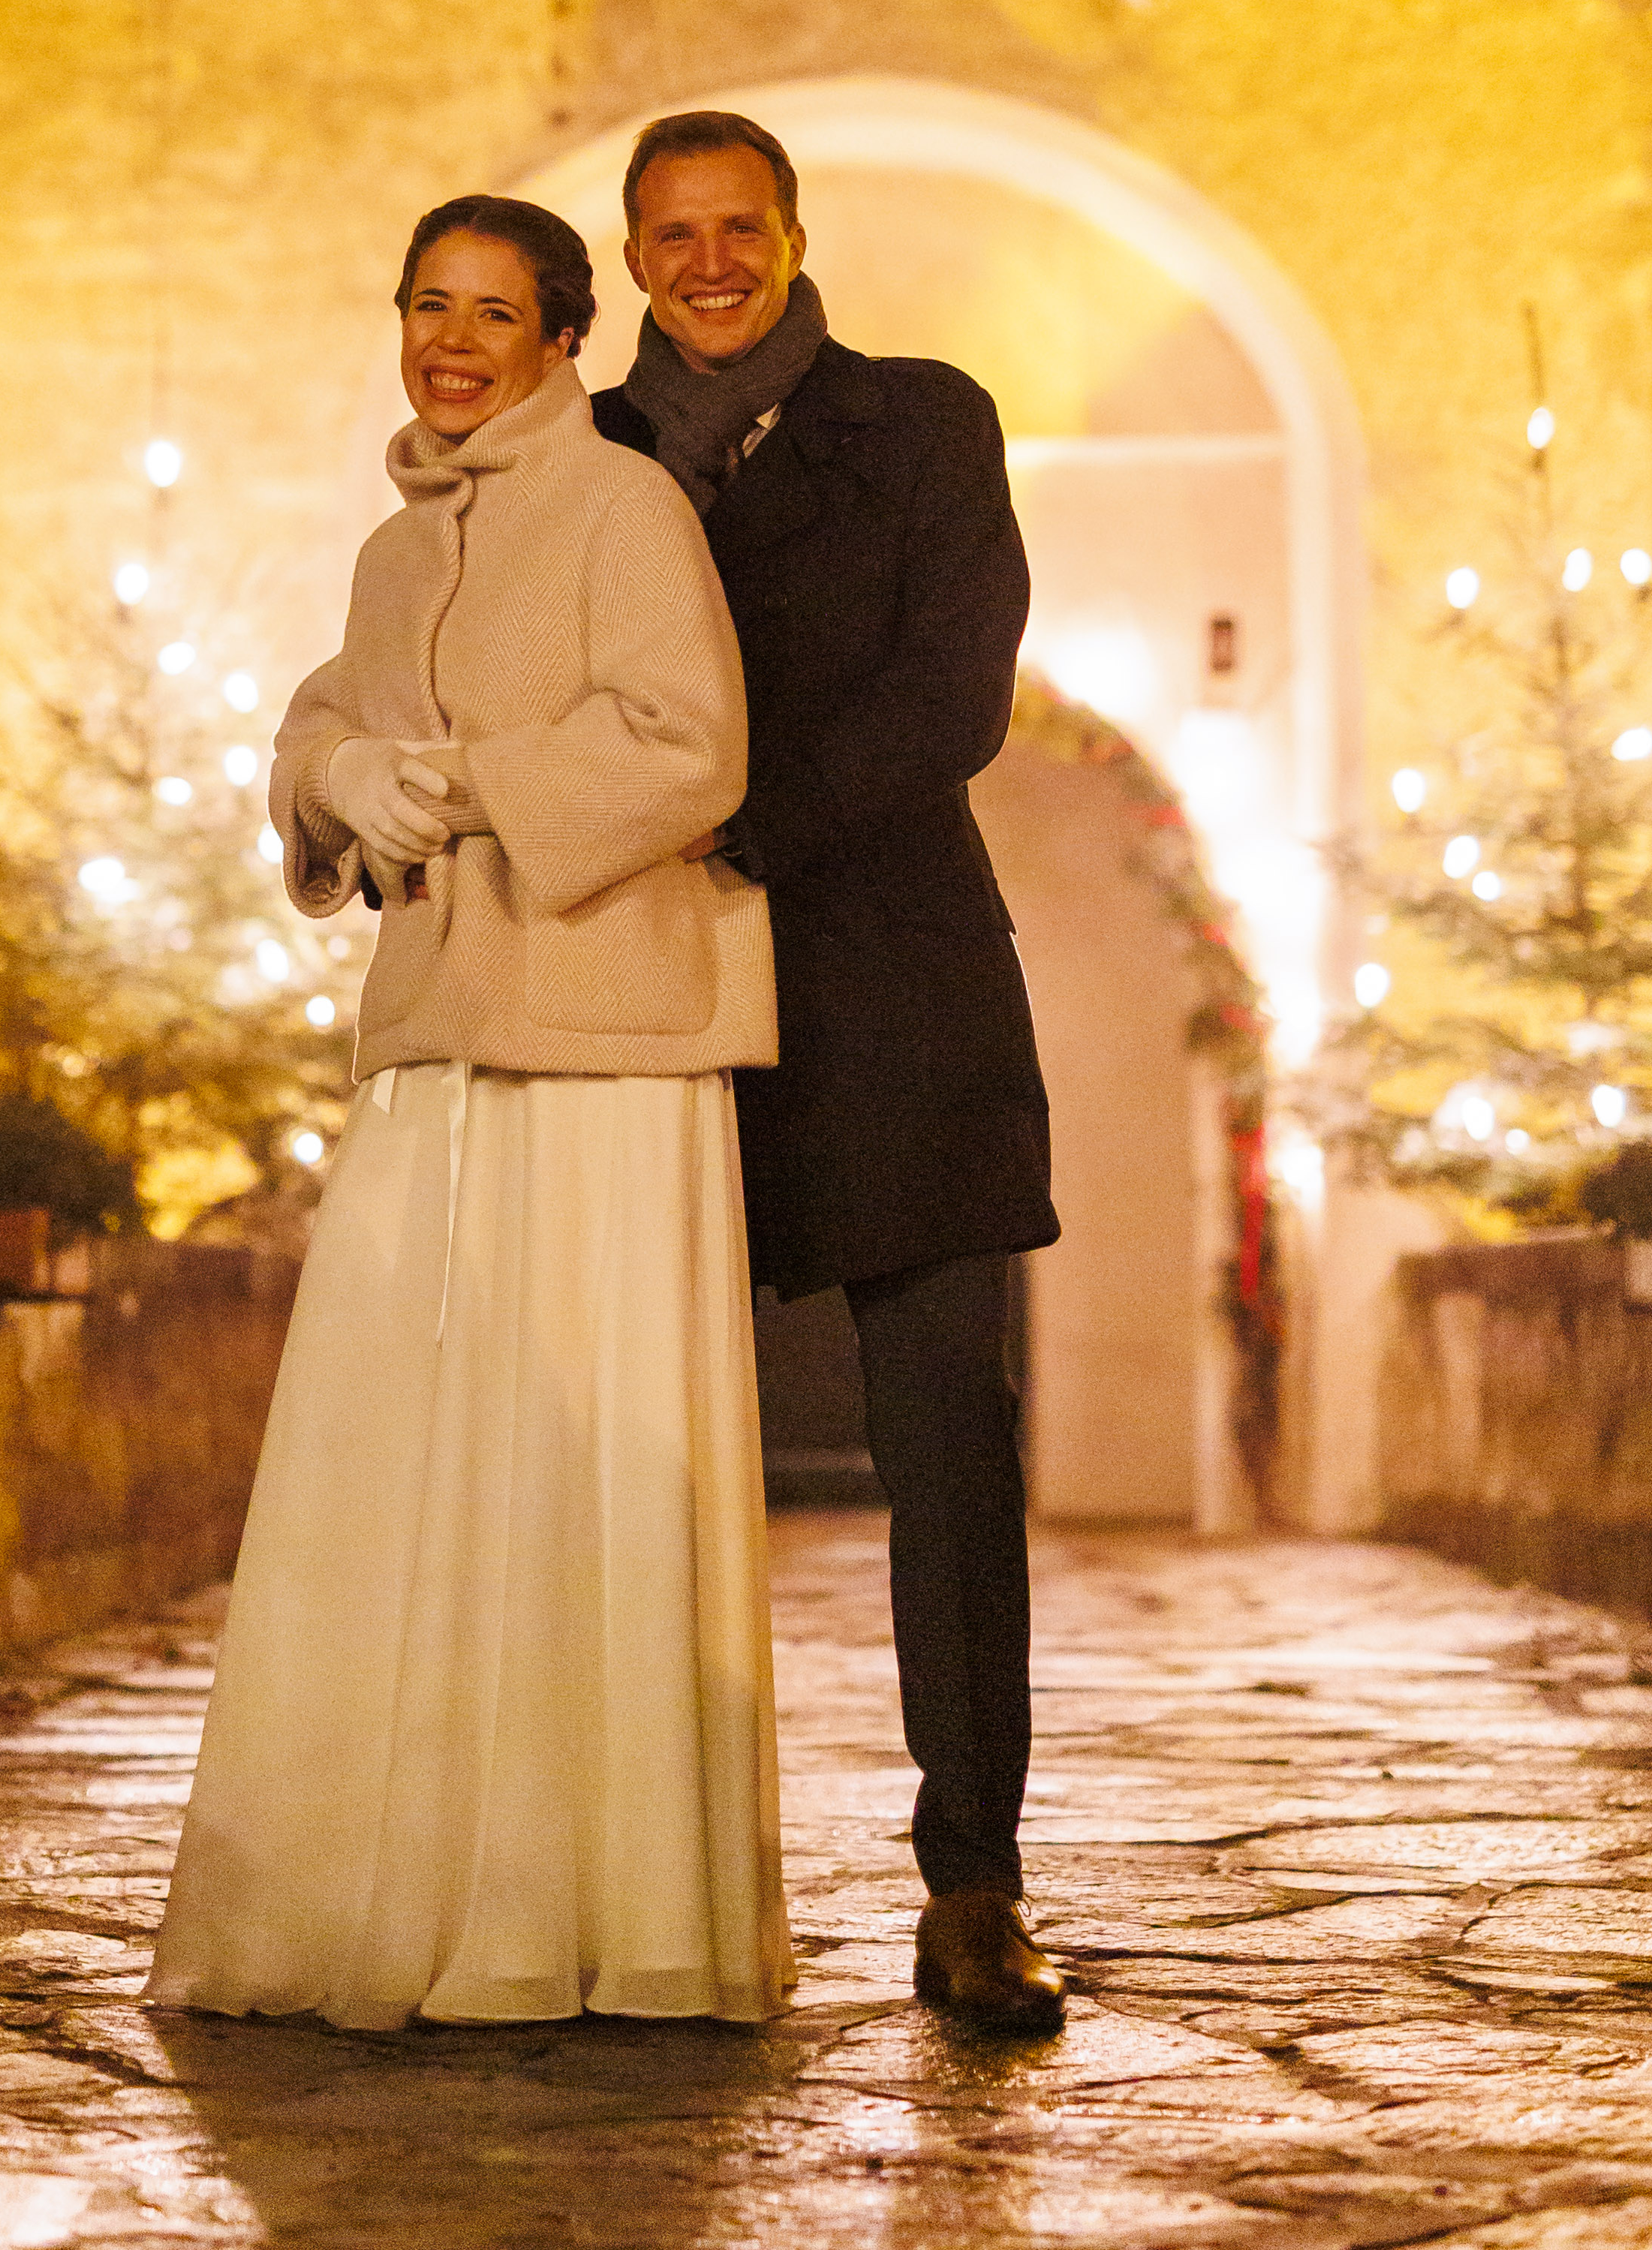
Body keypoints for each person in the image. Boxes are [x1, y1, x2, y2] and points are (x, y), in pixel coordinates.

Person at [150, 192, 793, 2033]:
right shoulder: (386, 547)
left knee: (575, 1456)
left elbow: (692, 744)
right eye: (425, 302)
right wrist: (341, 772)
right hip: (437, 1033)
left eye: (491, 310)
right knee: (406, 1443)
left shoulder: (624, 505)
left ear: (561, 338)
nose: (449, 338)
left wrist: (480, 786)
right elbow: (323, 728)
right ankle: (391, 1870)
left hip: (601, 1045)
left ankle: (590, 1900)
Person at [591, 110, 1065, 2036]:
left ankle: (976, 1890)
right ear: (628, 258)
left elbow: (956, 691)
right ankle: (620, 1877)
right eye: (672, 232)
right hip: (629, 995)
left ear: (795, 232)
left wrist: (743, 832)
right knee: (603, 1450)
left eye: (741, 225)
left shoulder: (924, 420)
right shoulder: (581, 445)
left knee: (949, 1453)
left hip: (899, 987)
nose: (710, 260)